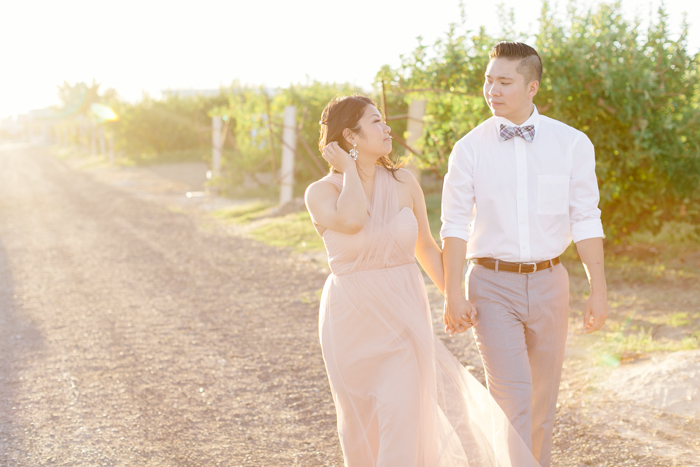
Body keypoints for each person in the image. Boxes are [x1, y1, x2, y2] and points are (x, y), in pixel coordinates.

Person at [305, 94, 540, 466]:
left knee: (403, 415)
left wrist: (454, 297)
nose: (388, 128)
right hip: (350, 319)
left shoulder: (403, 182)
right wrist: (349, 172)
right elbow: (350, 220)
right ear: (350, 136)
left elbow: (427, 248)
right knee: (359, 424)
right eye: (376, 122)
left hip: (401, 316)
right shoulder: (321, 192)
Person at [441, 42, 609, 467]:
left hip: (552, 281)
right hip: (491, 283)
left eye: (504, 81)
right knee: (512, 398)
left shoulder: (572, 143)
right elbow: (454, 225)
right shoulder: (469, 148)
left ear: (531, 86)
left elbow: (586, 217)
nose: (491, 90)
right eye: (487, 79)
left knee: (541, 405)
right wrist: (451, 293)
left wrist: (599, 290)